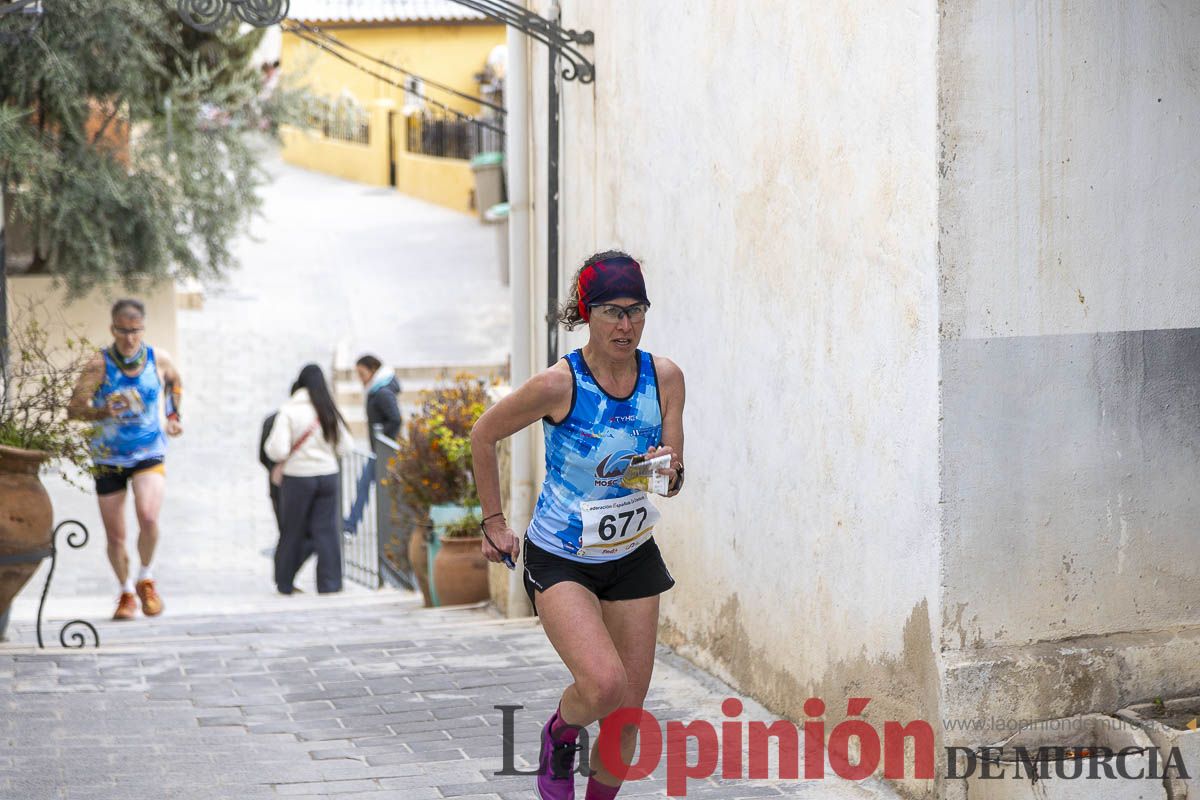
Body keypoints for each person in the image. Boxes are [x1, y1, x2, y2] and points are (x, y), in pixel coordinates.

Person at [470, 251, 685, 800]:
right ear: (586, 313)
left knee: (626, 719)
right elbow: (483, 435)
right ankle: (560, 733)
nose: (626, 325)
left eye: (637, 310)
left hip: (633, 555)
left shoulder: (664, 377)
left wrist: (669, 471)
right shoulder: (559, 384)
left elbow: (672, 477)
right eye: (613, 311)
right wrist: (494, 521)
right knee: (603, 685)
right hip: (562, 557)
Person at [68, 298, 183, 621]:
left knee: (148, 517)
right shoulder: (99, 365)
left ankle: (147, 576)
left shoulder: (157, 358)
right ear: (112, 329)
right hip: (108, 456)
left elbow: (174, 380)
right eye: (123, 331)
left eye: (135, 331)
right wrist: (103, 410)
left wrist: (173, 416)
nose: (129, 338)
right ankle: (126, 591)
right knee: (116, 535)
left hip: (148, 450)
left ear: (143, 328)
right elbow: (74, 408)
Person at [265, 364, 351, 595]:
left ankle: (284, 582)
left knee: (293, 529)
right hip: (328, 475)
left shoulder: (290, 410)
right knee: (327, 531)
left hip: (298, 478)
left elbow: (277, 450)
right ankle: (330, 583)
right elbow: (345, 445)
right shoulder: (328, 409)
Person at [354, 354, 401, 441]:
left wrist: (379, 436)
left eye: (362, 374)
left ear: (373, 369)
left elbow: (395, 420)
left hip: (384, 448)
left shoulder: (383, 393)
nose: (360, 378)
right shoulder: (374, 390)